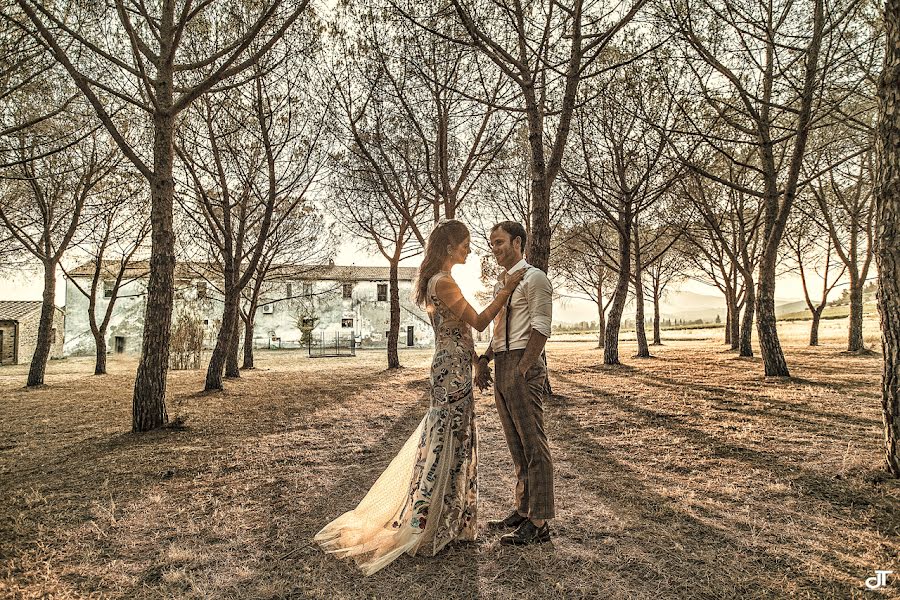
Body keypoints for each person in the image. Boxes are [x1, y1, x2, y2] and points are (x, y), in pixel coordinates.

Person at [314, 218, 524, 576]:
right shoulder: (441, 283)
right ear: (448, 248)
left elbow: (459, 333)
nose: (470, 250)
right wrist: (506, 290)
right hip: (449, 372)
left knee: (455, 439)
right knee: (445, 440)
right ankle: (430, 524)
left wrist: (477, 364)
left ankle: (448, 521)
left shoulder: (444, 281)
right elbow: (477, 322)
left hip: (456, 365)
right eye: (465, 245)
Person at [475, 221, 554, 546]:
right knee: (517, 444)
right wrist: (485, 358)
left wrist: (523, 368)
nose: (494, 249)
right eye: (492, 243)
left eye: (500, 242)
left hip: (523, 363)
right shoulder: (501, 284)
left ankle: (539, 523)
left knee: (534, 444)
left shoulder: (535, 278)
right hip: (504, 361)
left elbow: (541, 327)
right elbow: (497, 329)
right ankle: (523, 511)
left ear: (518, 242)